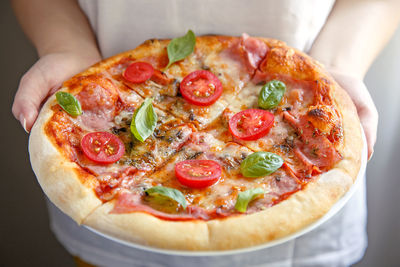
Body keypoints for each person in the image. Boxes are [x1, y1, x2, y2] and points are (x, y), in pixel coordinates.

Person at [10, 0, 400, 266]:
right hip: (107, 172)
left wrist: (333, 66)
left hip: (302, 233)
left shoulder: (315, 105)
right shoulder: (76, 144)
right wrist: (66, 45)